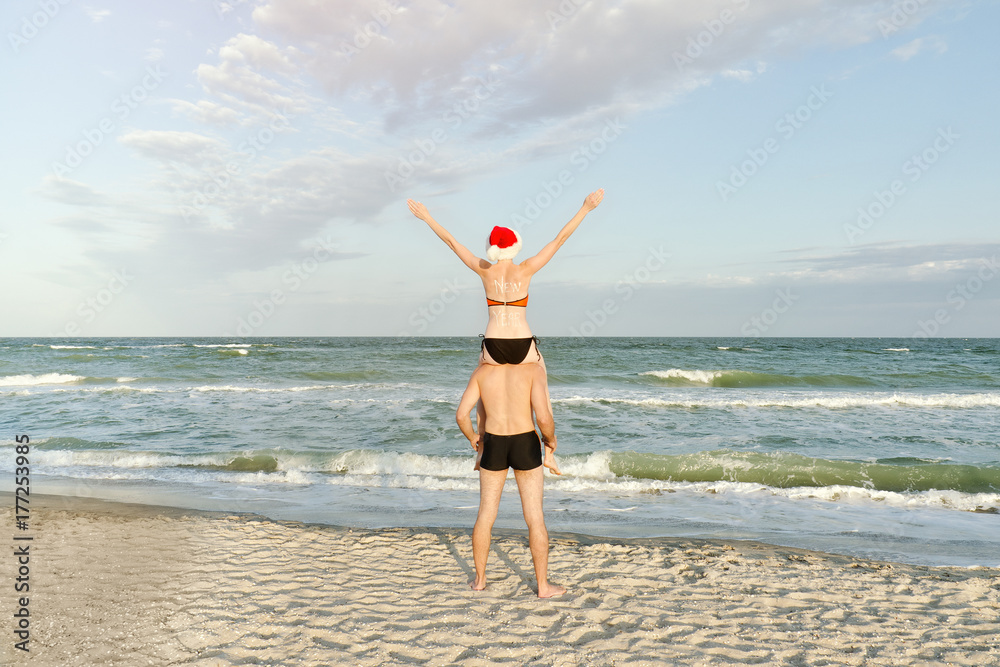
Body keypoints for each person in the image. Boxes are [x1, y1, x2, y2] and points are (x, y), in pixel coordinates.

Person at [407, 189, 604, 474]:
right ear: (516, 246)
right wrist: (585, 208)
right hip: (523, 343)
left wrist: (427, 217)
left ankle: (482, 450)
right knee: (541, 389)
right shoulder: (526, 269)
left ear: (492, 248)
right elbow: (559, 240)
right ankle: (549, 452)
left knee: (483, 395)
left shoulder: (485, 270)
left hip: (493, 344)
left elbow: (452, 242)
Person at [455, 360, 565, 598]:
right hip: (524, 441)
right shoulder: (533, 370)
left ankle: (480, 580)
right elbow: (544, 418)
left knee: (485, 514)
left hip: (494, 442)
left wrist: (472, 437)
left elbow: (462, 415)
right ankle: (543, 586)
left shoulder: (482, 372)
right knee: (534, 517)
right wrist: (550, 439)